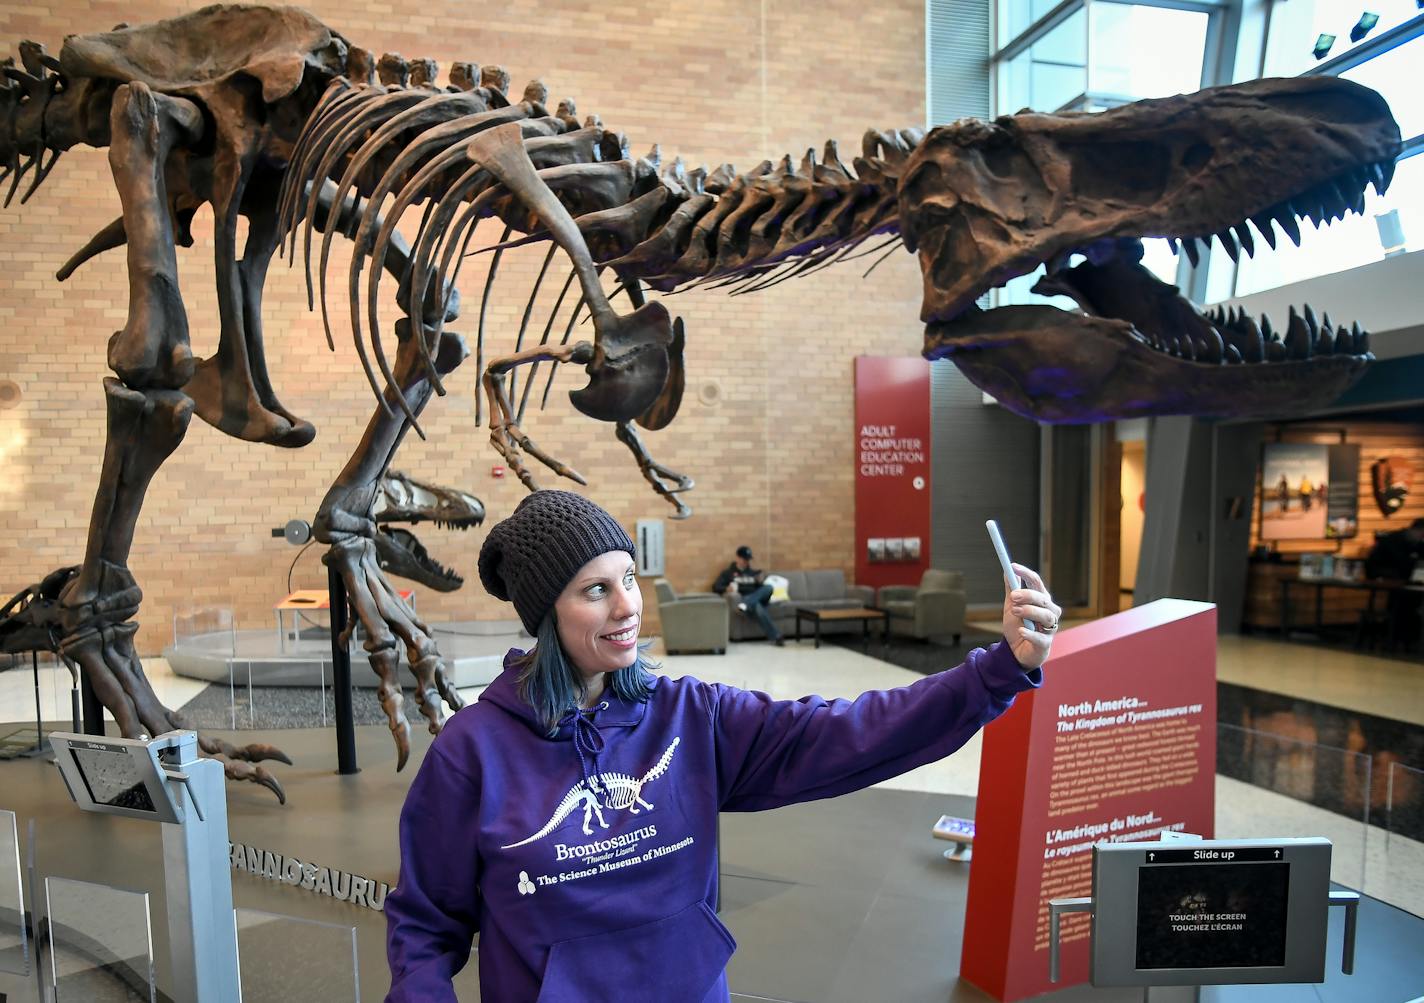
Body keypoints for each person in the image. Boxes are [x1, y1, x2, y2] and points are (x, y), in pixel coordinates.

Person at [384, 490, 1061, 1003]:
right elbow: (422, 925)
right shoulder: (471, 753)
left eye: (628, 578)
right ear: (546, 614)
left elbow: (849, 730)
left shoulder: (690, 715)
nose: (627, 606)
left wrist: (996, 669)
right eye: (595, 589)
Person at [712, 544, 783, 646]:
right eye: (744, 559)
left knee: (769, 587)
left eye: (748, 560)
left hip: (758, 597)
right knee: (757, 606)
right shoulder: (728, 573)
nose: (747, 562)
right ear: (738, 558)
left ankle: (745, 604)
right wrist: (726, 588)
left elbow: (762, 588)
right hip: (747, 597)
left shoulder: (754, 572)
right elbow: (715, 587)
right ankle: (776, 636)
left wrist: (760, 581)